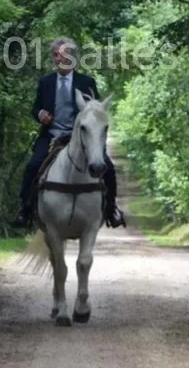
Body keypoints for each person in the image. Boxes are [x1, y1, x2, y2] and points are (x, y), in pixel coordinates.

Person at [14, 38, 125, 229]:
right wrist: (40, 114)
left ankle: (111, 209)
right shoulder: (46, 82)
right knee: (33, 165)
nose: (60, 59)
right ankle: (25, 209)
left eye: (64, 54)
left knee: (107, 166)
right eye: (56, 55)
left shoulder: (86, 82)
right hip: (52, 135)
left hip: (81, 138)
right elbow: (36, 108)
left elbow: (96, 112)